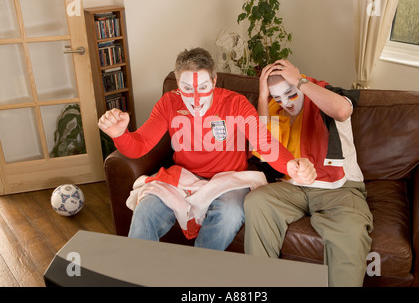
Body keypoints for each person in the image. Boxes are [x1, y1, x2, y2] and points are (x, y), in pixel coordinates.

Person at [98, 48, 314, 251]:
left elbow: (264, 142)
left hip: (230, 179)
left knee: (229, 214)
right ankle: (137, 276)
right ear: (178, 85)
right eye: (187, 89)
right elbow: (139, 146)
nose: (196, 98)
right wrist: (120, 134)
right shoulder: (169, 103)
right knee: (145, 209)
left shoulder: (236, 103)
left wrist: (290, 165)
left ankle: (196, 278)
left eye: (202, 87)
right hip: (184, 176)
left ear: (214, 81)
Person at [244, 59, 374, 286]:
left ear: (299, 81)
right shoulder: (274, 108)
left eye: (290, 93)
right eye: (277, 98)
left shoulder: (326, 93)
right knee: (257, 200)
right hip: (294, 187)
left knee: (351, 232)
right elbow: (263, 147)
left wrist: (301, 82)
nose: (286, 103)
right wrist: (263, 97)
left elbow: (342, 111)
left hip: (339, 187)